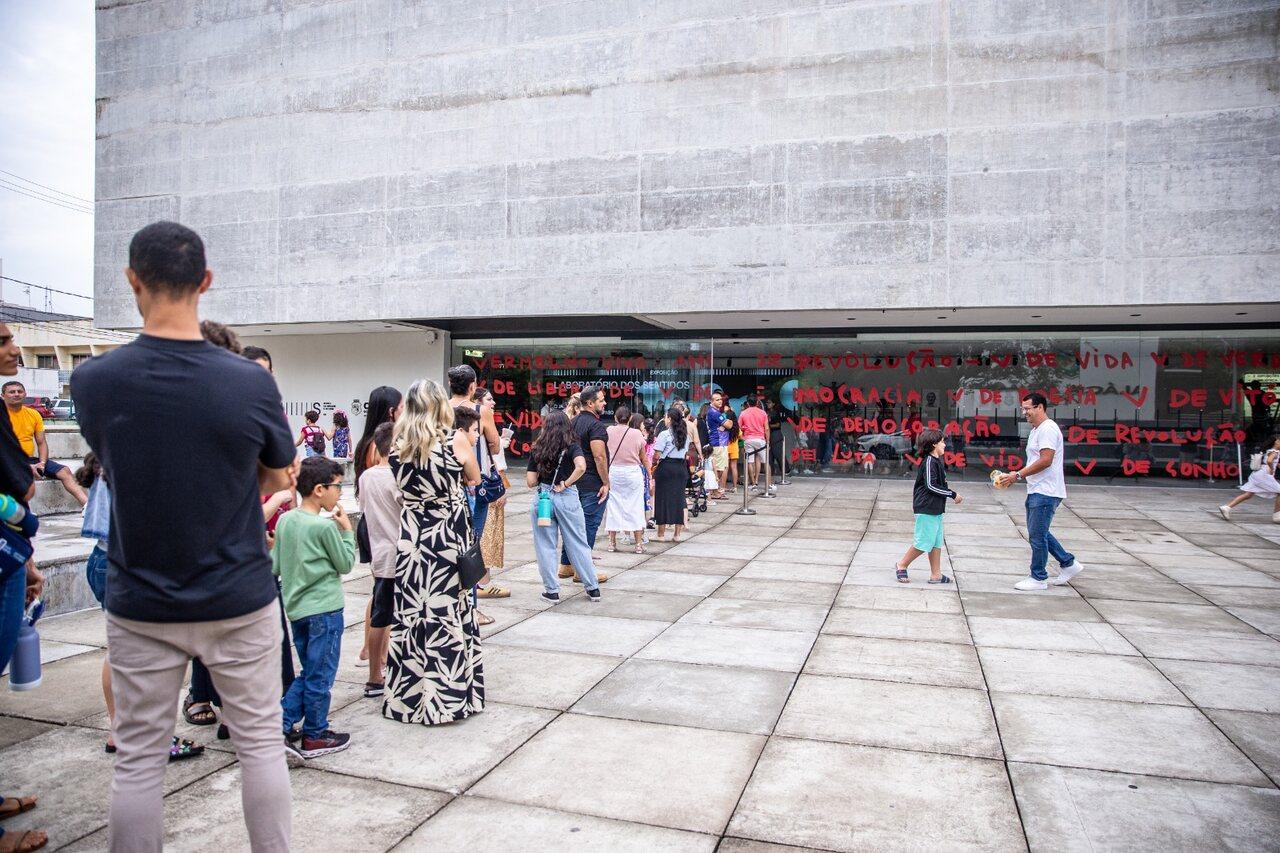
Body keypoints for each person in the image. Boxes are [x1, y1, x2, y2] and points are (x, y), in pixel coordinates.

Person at [72, 221, 296, 851]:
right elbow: (276, 474)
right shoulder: (249, 381)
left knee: (138, 759)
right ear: (206, 282)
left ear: (132, 281)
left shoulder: (93, 382)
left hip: (141, 598)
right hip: (239, 595)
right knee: (259, 745)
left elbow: (123, 461)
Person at [383, 380, 484, 726]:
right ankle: (448, 699)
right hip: (445, 538)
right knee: (446, 614)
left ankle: (407, 700)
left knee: (412, 615)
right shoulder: (452, 439)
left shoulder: (397, 445)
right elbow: (474, 477)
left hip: (412, 538)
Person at [273, 456, 354, 758]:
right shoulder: (324, 528)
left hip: (297, 609)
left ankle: (280, 725)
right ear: (319, 489)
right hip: (325, 609)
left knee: (310, 671)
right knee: (320, 675)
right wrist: (346, 531)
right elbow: (345, 563)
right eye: (336, 486)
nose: (340, 491)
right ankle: (314, 733)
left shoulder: (286, 520)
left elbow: (276, 565)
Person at [0, 322, 46, 853]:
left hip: (10, 551)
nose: (15, 350)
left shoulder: (23, 416)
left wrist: (27, 555)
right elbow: (17, 486)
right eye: (3, 341)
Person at [996, 392, 1084, 591]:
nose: (1024, 412)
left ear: (1040, 407)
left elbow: (1046, 460)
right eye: (1023, 408)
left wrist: (1017, 475)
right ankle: (1069, 563)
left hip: (1046, 491)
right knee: (1039, 533)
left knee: (1037, 535)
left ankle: (1038, 577)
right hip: (1037, 489)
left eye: (1028, 408)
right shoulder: (1037, 430)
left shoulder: (1048, 429)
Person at [526, 410, 602, 603]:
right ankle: (592, 587)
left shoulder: (537, 448)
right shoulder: (572, 446)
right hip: (567, 497)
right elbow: (582, 467)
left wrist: (545, 478)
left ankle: (552, 591)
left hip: (543, 498)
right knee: (577, 542)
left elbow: (530, 481)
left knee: (545, 546)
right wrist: (566, 483)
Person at [352, 385, 402, 668]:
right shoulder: (377, 447)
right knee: (382, 592)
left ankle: (370, 648)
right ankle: (372, 650)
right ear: (391, 410)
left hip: (372, 523)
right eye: (402, 407)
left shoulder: (367, 441)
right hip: (380, 525)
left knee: (380, 589)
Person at [356, 422, 398, 698]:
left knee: (380, 616)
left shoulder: (366, 477)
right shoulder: (398, 477)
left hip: (379, 554)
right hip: (400, 554)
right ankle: (380, 672)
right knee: (392, 616)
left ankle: (375, 672)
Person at [3, 381, 87, 508]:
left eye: (19, 391)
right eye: (12, 392)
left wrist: (41, 464)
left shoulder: (33, 414)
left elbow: (41, 443)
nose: (16, 394)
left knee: (64, 471)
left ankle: (88, 506)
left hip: (28, 460)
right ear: (3, 396)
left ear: (25, 394)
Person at [558, 386, 611, 584]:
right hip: (591, 484)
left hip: (572, 482)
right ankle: (583, 570)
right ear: (590, 403)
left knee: (571, 526)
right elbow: (599, 456)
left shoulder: (571, 423)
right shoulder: (597, 427)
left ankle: (566, 565)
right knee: (588, 526)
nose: (604, 403)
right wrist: (606, 482)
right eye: (601, 400)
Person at [894, 429, 961, 584]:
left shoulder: (936, 461)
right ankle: (901, 564)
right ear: (934, 445)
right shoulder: (930, 461)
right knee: (924, 542)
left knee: (936, 542)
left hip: (935, 508)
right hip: (926, 508)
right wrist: (952, 494)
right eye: (942, 442)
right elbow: (931, 485)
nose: (945, 444)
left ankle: (936, 574)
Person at [472, 388, 508, 600]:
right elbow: (494, 454)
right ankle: (481, 583)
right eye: (489, 399)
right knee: (483, 536)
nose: (493, 402)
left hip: (482, 483)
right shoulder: (480, 418)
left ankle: (482, 582)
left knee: (485, 535)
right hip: (484, 485)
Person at [603, 406, 648, 554]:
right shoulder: (636, 434)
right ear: (629, 419)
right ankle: (638, 544)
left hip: (614, 471)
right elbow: (643, 457)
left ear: (615, 418)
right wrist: (650, 475)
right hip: (632, 471)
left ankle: (612, 542)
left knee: (613, 505)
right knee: (636, 506)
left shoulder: (609, 431)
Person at [652, 407, 694, 542]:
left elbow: (657, 454)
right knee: (679, 500)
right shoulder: (685, 435)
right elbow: (686, 453)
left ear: (669, 419)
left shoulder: (664, 434)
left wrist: (653, 463)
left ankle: (661, 534)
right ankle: (677, 534)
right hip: (680, 468)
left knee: (662, 499)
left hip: (666, 468)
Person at [1220, 433, 1280, 522]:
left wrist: (1276, 465)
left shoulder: (1270, 450)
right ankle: (1277, 516)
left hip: (1258, 474)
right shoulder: (1275, 452)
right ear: (1276, 442)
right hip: (1265, 475)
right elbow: (1269, 461)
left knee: (1248, 494)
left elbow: (1270, 460)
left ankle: (1227, 507)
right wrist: (1271, 469)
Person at [705, 392, 734, 499]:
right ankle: (714, 491)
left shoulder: (714, 412)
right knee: (719, 469)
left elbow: (729, 424)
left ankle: (714, 490)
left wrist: (728, 422)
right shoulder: (714, 413)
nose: (720, 401)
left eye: (720, 399)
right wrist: (729, 421)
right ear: (712, 401)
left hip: (719, 443)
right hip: (718, 443)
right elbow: (730, 425)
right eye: (717, 400)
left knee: (718, 468)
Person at [739, 398, 769, 491]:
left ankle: (753, 483)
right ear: (757, 403)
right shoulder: (763, 413)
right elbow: (767, 428)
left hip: (748, 439)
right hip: (760, 439)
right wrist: (767, 441)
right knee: (765, 462)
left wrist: (743, 435)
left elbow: (739, 427)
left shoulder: (743, 413)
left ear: (747, 403)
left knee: (750, 462)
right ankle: (768, 484)